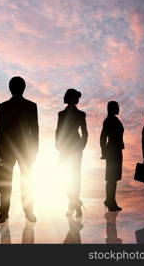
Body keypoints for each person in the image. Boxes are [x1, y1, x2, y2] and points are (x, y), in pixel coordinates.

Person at [0, 76, 39, 223]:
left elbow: (34, 131)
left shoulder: (7, 106)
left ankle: (12, 212)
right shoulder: (7, 106)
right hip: (18, 149)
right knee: (20, 181)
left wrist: (34, 150)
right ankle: (19, 212)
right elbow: (0, 130)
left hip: (16, 149)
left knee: (15, 182)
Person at [55, 89, 88, 217]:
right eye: (76, 98)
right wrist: (57, 143)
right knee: (62, 175)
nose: (78, 100)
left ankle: (72, 207)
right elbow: (58, 130)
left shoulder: (81, 114)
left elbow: (85, 133)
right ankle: (76, 203)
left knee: (75, 176)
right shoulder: (61, 114)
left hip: (75, 146)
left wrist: (82, 146)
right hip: (64, 147)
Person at [100, 101, 124, 212]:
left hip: (116, 149)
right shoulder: (109, 120)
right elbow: (103, 137)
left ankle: (110, 200)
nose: (119, 108)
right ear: (113, 108)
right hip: (112, 150)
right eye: (117, 107)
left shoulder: (113, 119)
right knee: (111, 178)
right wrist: (104, 151)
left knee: (113, 178)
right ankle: (110, 201)